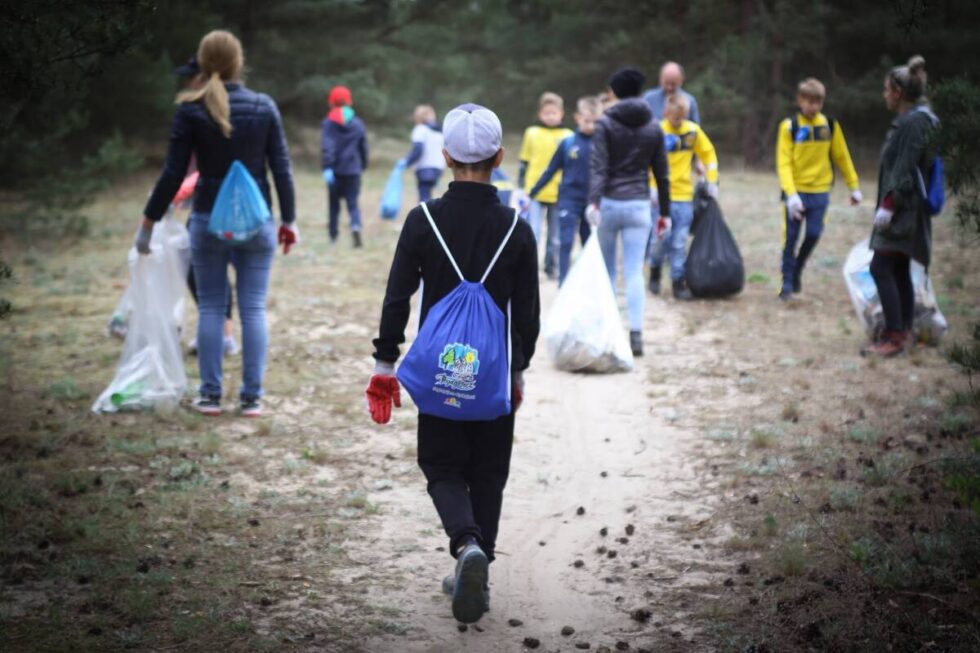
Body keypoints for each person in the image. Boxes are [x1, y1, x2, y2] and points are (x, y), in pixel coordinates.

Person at [366, 104, 540, 624]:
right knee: (489, 470)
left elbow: (397, 295)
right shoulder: (517, 226)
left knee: (441, 464)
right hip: (490, 375)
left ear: (444, 158)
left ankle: (465, 545)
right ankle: (479, 554)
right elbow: (527, 313)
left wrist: (385, 360)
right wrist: (518, 370)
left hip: (441, 373)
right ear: (500, 157)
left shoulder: (422, 220)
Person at [135, 30, 297, 417]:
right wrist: (288, 220)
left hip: (207, 221)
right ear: (239, 63)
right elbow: (282, 170)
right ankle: (251, 397)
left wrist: (148, 223)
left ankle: (210, 395)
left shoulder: (191, 110)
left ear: (203, 64)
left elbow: (173, 174)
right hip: (258, 224)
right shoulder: (264, 106)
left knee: (210, 307)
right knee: (253, 309)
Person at [588, 67, 670, 357]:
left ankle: (611, 334)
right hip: (639, 206)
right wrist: (666, 212)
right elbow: (662, 174)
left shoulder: (605, 124)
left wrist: (593, 202)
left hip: (609, 204)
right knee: (634, 271)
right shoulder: (654, 125)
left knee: (609, 271)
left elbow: (599, 167)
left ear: (617, 92)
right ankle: (636, 334)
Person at [862, 56, 937, 357]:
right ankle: (903, 332)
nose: (884, 95)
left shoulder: (915, 122)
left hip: (903, 211)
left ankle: (893, 337)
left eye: (886, 89)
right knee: (899, 268)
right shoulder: (915, 119)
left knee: (880, 267)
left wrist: (889, 205)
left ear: (898, 91)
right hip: (904, 209)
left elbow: (906, 168)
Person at [173, 55, 238, 357]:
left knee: (211, 271)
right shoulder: (195, 111)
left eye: (191, 76)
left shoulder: (224, 108)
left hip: (224, 206)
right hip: (202, 200)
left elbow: (229, 159)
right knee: (199, 271)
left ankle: (223, 336)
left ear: (204, 77)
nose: (188, 82)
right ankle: (219, 335)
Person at [776, 77, 862, 301]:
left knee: (813, 234)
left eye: (818, 102)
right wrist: (791, 194)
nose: (813, 106)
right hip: (796, 192)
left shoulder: (830, 126)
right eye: (809, 101)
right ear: (799, 101)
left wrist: (853, 186)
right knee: (791, 239)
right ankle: (786, 284)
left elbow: (842, 157)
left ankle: (797, 269)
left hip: (820, 192)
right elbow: (783, 163)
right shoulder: (789, 127)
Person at [648, 93, 719, 299]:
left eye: (683, 117)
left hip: (684, 196)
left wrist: (711, 179)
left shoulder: (692, 131)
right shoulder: (657, 132)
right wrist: (651, 186)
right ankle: (654, 271)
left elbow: (708, 154)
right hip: (662, 197)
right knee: (661, 239)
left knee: (679, 241)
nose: (679, 122)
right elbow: (646, 161)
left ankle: (678, 283)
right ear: (666, 113)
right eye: (675, 118)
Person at [528, 95, 600, 284]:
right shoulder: (568, 142)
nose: (591, 125)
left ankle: (587, 283)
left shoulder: (601, 144)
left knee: (588, 242)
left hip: (591, 201)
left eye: (595, 122)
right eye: (587, 121)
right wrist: (533, 191)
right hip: (568, 199)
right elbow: (551, 169)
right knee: (565, 241)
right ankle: (563, 282)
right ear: (578, 118)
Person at [518, 92, 573, 279]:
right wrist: (521, 186)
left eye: (554, 112)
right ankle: (530, 267)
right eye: (546, 112)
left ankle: (551, 266)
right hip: (534, 191)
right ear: (540, 113)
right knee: (533, 231)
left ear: (562, 113)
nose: (550, 116)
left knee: (555, 236)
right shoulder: (531, 133)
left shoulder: (568, 136)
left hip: (559, 192)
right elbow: (524, 161)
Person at [321, 85, 369, 247]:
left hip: (334, 171)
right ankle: (355, 225)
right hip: (353, 170)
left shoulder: (328, 123)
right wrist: (363, 165)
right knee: (353, 203)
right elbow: (363, 147)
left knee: (334, 205)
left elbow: (328, 146)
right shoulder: (358, 123)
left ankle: (333, 237)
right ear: (349, 102)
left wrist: (327, 166)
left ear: (331, 103)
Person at [399, 105, 446, 202]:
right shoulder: (439, 131)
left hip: (425, 168)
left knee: (423, 199)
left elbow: (418, 149)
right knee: (429, 195)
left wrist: (406, 162)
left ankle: (425, 216)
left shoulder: (420, 130)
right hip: (438, 167)